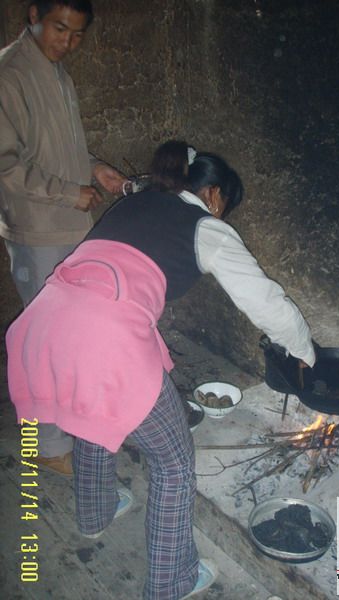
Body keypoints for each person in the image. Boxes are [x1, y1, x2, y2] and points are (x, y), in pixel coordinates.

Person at [6, 146, 315, 599]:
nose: (221, 215)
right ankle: (171, 582)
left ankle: (95, 513)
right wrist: (305, 349)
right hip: (102, 343)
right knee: (174, 463)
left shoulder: (135, 202)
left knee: (92, 411)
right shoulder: (206, 228)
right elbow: (267, 302)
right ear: (213, 194)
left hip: (43, 324)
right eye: (224, 206)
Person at [0, 0, 126, 475]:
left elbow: (57, 146)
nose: (67, 42)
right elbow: (6, 165)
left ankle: (66, 426)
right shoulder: (9, 74)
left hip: (69, 225)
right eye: (59, 28)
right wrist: (69, 193)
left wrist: (93, 168)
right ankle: (45, 446)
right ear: (33, 15)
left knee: (65, 336)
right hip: (38, 228)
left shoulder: (56, 72)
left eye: (76, 35)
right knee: (40, 343)